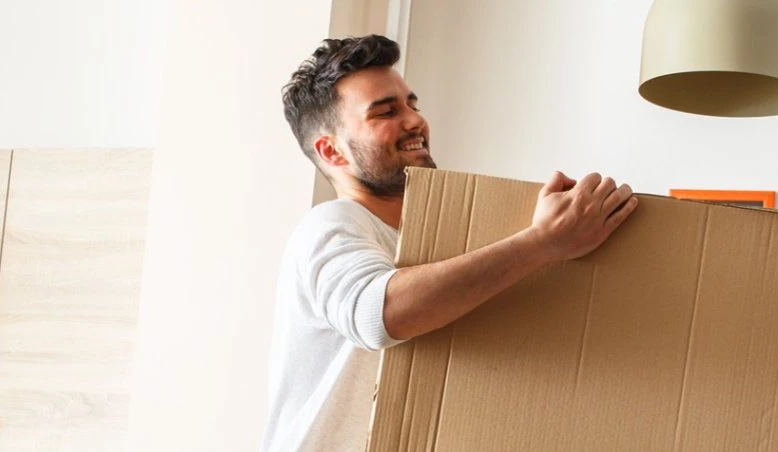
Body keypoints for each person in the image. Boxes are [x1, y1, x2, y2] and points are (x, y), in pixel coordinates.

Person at [264, 35, 641, 451]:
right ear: (331, 151)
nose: (415, 121)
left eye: (412, 105)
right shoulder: (331, 225)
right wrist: (544, 242)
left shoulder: (432, 245)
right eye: (387, 111)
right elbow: (379, 316)